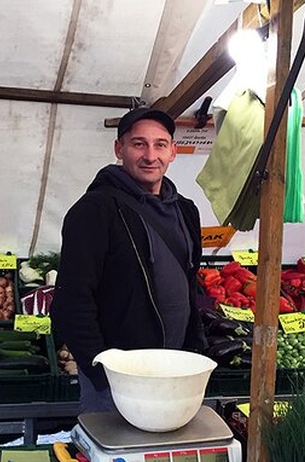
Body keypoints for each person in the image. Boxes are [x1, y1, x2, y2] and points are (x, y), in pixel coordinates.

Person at [51, 107, 206, 413]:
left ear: (174, 151)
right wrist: (101, 371)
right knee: (118, 455)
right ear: (119, 149)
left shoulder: (186, 210)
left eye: (160, 144)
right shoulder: (94, 211)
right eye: (139, 144)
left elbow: (190, 281)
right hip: (117, 382)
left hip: (175, 371)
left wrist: (195, 346)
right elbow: (71, 301)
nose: (150, 155)